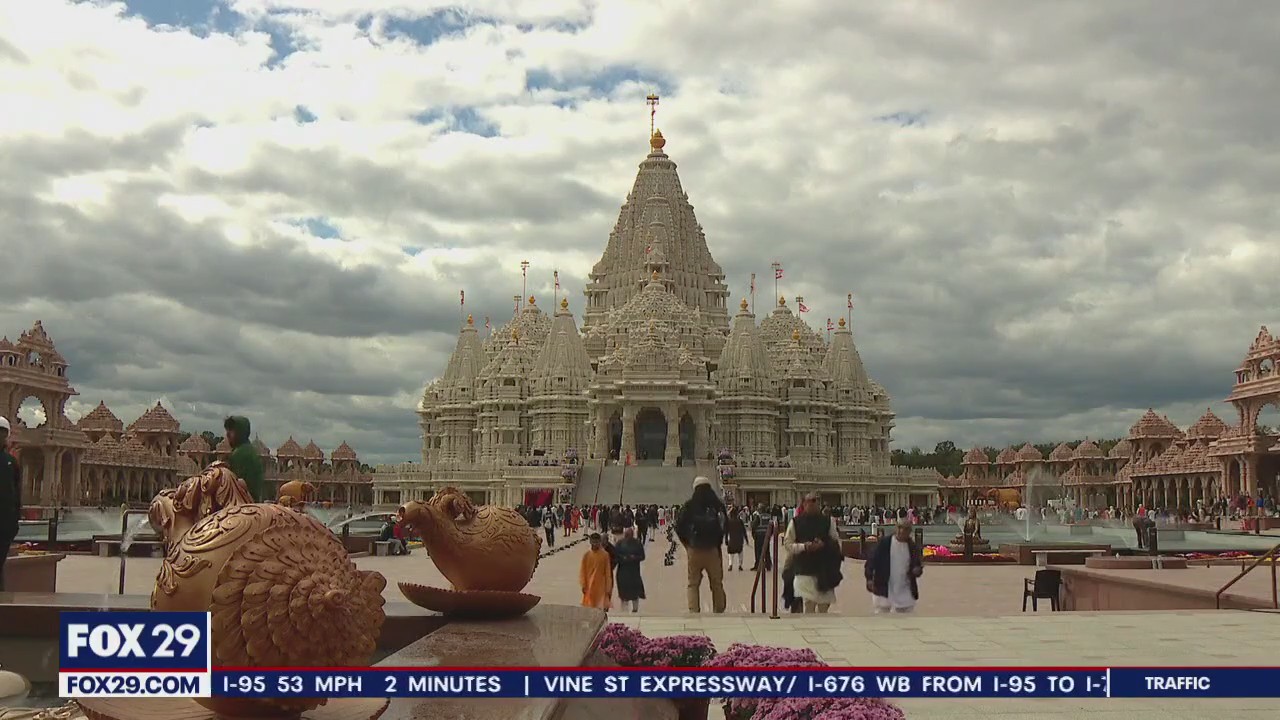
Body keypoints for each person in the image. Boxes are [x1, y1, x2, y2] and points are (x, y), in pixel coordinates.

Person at [783, 493, 843, 613]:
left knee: (824, 606)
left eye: (815, 501)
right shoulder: (795, 522)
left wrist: (823, 544)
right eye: (810, 501)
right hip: (804, 570)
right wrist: (804, 547)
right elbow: (788, 544)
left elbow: (835, 542)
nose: (813, 504)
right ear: (804, 504)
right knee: (808, 604)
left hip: (824, 571)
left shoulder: (828, 522)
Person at [675, 476, 728, 613]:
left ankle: (694, 611)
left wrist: (687, 544)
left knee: (693, 584)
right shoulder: (718, 506)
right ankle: (719, 610)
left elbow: (679, 526)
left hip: (695, 548)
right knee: (716, 584)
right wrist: (718, 542)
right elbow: (724, 525)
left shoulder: (689, 506)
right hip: (712, 550)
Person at [865, 519, 924, 614]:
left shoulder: (912, 547)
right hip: (885, 585)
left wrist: (917, 570)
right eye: (900, 528)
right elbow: (871, 561)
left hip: (904, 587)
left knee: (906, 615)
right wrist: (869, 578)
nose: (902, 531)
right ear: (896, 528)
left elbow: (917, 565)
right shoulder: (885, 543)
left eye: (905, 529)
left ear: (909, 532)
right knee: (882, 613)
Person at [223, 416, 265, 501]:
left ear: (240, 432)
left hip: (243, 505)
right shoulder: (248, 450)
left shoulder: (240, 453)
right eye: (227, 430)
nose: (227, 434)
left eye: (231, 430)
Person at [0, 417, 20, 591]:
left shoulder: (10, 462)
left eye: (2, 433)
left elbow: (16, 493)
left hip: (4, 522)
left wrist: (15, 521)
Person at [614, 527, 646, 612]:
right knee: (624, 594)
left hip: (634, 572)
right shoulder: (619, 543)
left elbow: (642, 556)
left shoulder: (637, 543)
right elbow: (615, 556)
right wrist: (623, 558)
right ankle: (625, 612)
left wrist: (634, 558)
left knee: (635, 593)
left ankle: (635, 610)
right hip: (623, 572)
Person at [580, 533, 613, 610]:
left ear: (600, 542)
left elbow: (608, 572)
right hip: (589, 586)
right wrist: (583, 584)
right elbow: (583, 571)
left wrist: (608, 587)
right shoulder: (586, 555)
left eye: (597, 542)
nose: (595, 544)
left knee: (600, 609)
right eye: (593, 542)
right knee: (590, 608)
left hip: (601, 587)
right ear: (590, 542)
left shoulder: (605, 555)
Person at [725, 507, 748, 571]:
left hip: (732, 540)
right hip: (739, 540)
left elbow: (726, 531)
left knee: (730, 553)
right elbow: (744, 531)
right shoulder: (740, 521)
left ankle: (730, 564)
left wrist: (726, 540)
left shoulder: (729, 521)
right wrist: (746, 540)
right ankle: (740, 565)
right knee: (740, 553)